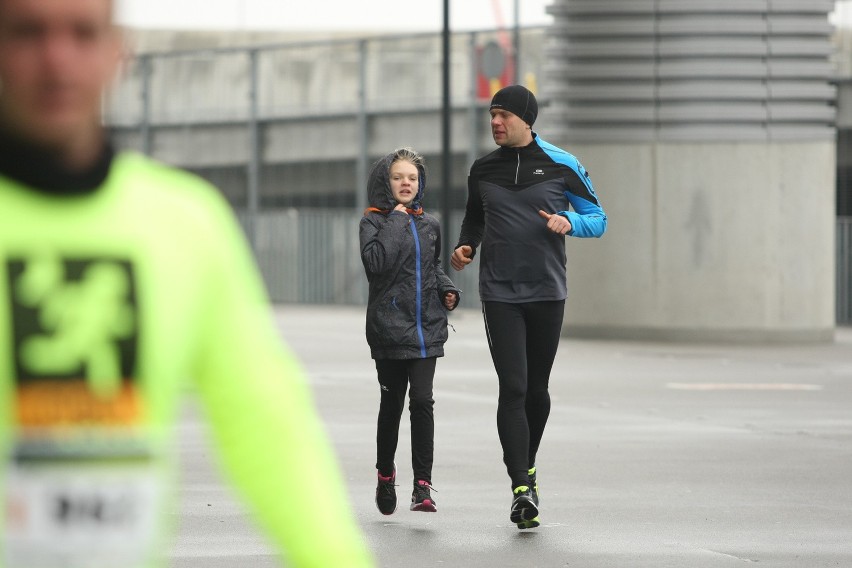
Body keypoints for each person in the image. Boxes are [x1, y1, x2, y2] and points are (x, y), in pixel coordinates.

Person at [0, 0, 375, 566]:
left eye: (82, 33)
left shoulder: (184, 223)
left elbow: (265, 423)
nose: (57, 61)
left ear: (116, 51)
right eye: (27, 33)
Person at [450, 85, 607, 530]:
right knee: (513, 388)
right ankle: (522, 487)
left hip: (547, 292)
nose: (495, 123)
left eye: (503, 116)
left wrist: (569, 221)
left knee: (537, 391)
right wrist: (466, 246)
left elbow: (599, 219)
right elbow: (475, 218)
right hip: (500, 294)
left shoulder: (563, 164)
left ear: (526, 119)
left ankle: (528, 467)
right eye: (491, 116)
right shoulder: (482, 170)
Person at [359, 148, 460, 516]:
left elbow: (430, 268)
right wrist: (398, 221)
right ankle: (386, 475)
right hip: (389, 330)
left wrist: (447, 289)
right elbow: (377, 265)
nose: (406, 183)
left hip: (426, 329)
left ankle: (423, 485)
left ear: (420, 185)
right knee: (392, 404)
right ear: (386, 183)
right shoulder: (372, 222)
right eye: (399, 177)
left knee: (422, 401)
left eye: (413, 178)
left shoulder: (429, 224)